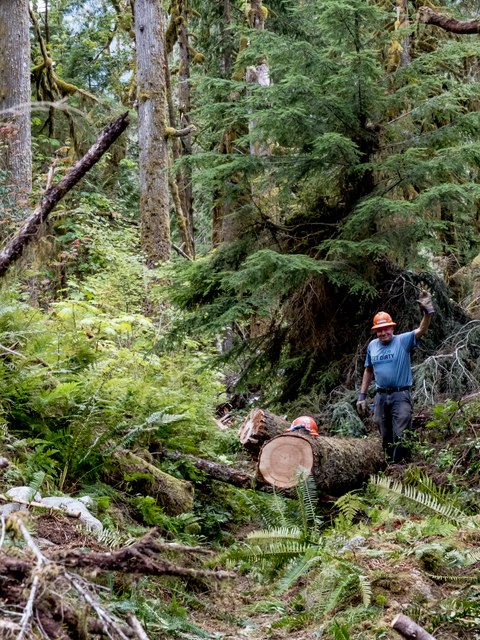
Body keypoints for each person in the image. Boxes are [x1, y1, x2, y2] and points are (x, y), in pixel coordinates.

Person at [356, 291, 435, 463]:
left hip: (401, 395)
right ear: (376, 331)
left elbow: (422, 330)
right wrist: (362, 396)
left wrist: (427, 311)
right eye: (379, 330)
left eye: (386, 328)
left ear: (392, 327)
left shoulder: (402, 340)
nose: (383, 332)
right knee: (385, 434)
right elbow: (368, 370)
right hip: (380, 396)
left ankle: (400, 467)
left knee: (401, 433)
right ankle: (390, 464)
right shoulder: (372, 346)